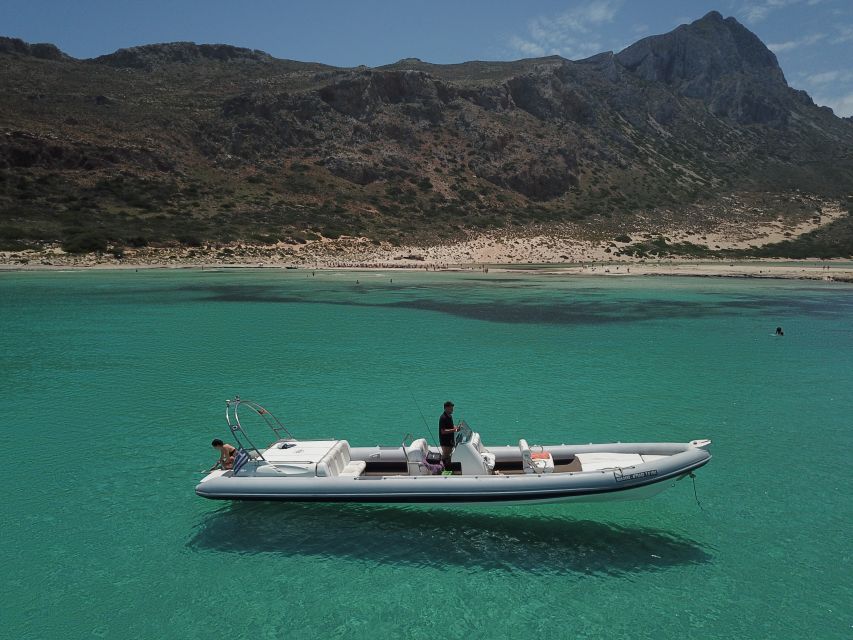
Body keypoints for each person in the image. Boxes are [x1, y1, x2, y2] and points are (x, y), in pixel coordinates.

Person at [439, 401, 459, 469]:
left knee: (449, 456)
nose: (452, 409)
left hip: (450, 441)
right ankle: (443, 470)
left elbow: (450, 426)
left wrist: (455, 427)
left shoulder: (449, 416)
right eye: (451, 408)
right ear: (446, 408)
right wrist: (454, 430)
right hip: (445, 442)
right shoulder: (443, 418)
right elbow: (443, 431)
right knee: (446, 457)